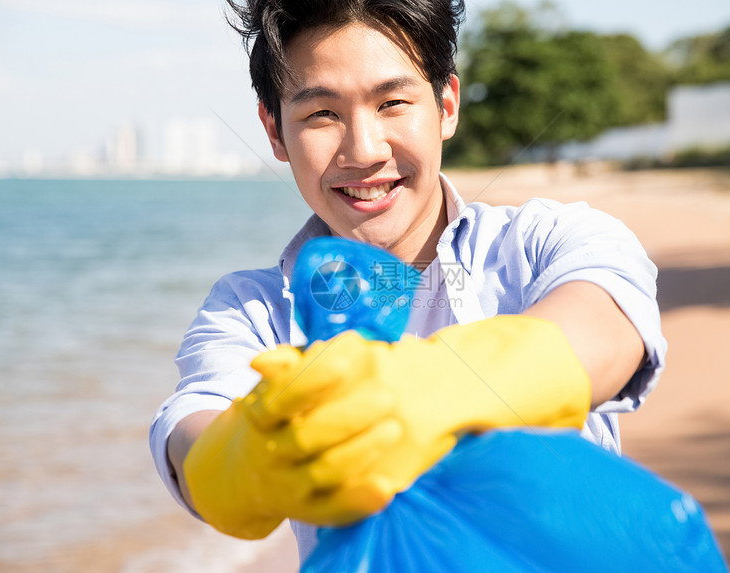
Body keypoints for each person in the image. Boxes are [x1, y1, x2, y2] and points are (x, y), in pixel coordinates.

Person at [149, 0, 666, 563]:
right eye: (321, 114)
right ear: (274, 132)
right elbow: (189, 427)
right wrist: (241, 459)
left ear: (445, 105)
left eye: (392, 103)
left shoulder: (544, 242)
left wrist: (427, 391)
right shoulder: (253, 309)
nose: (364, 151)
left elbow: (610, 326)